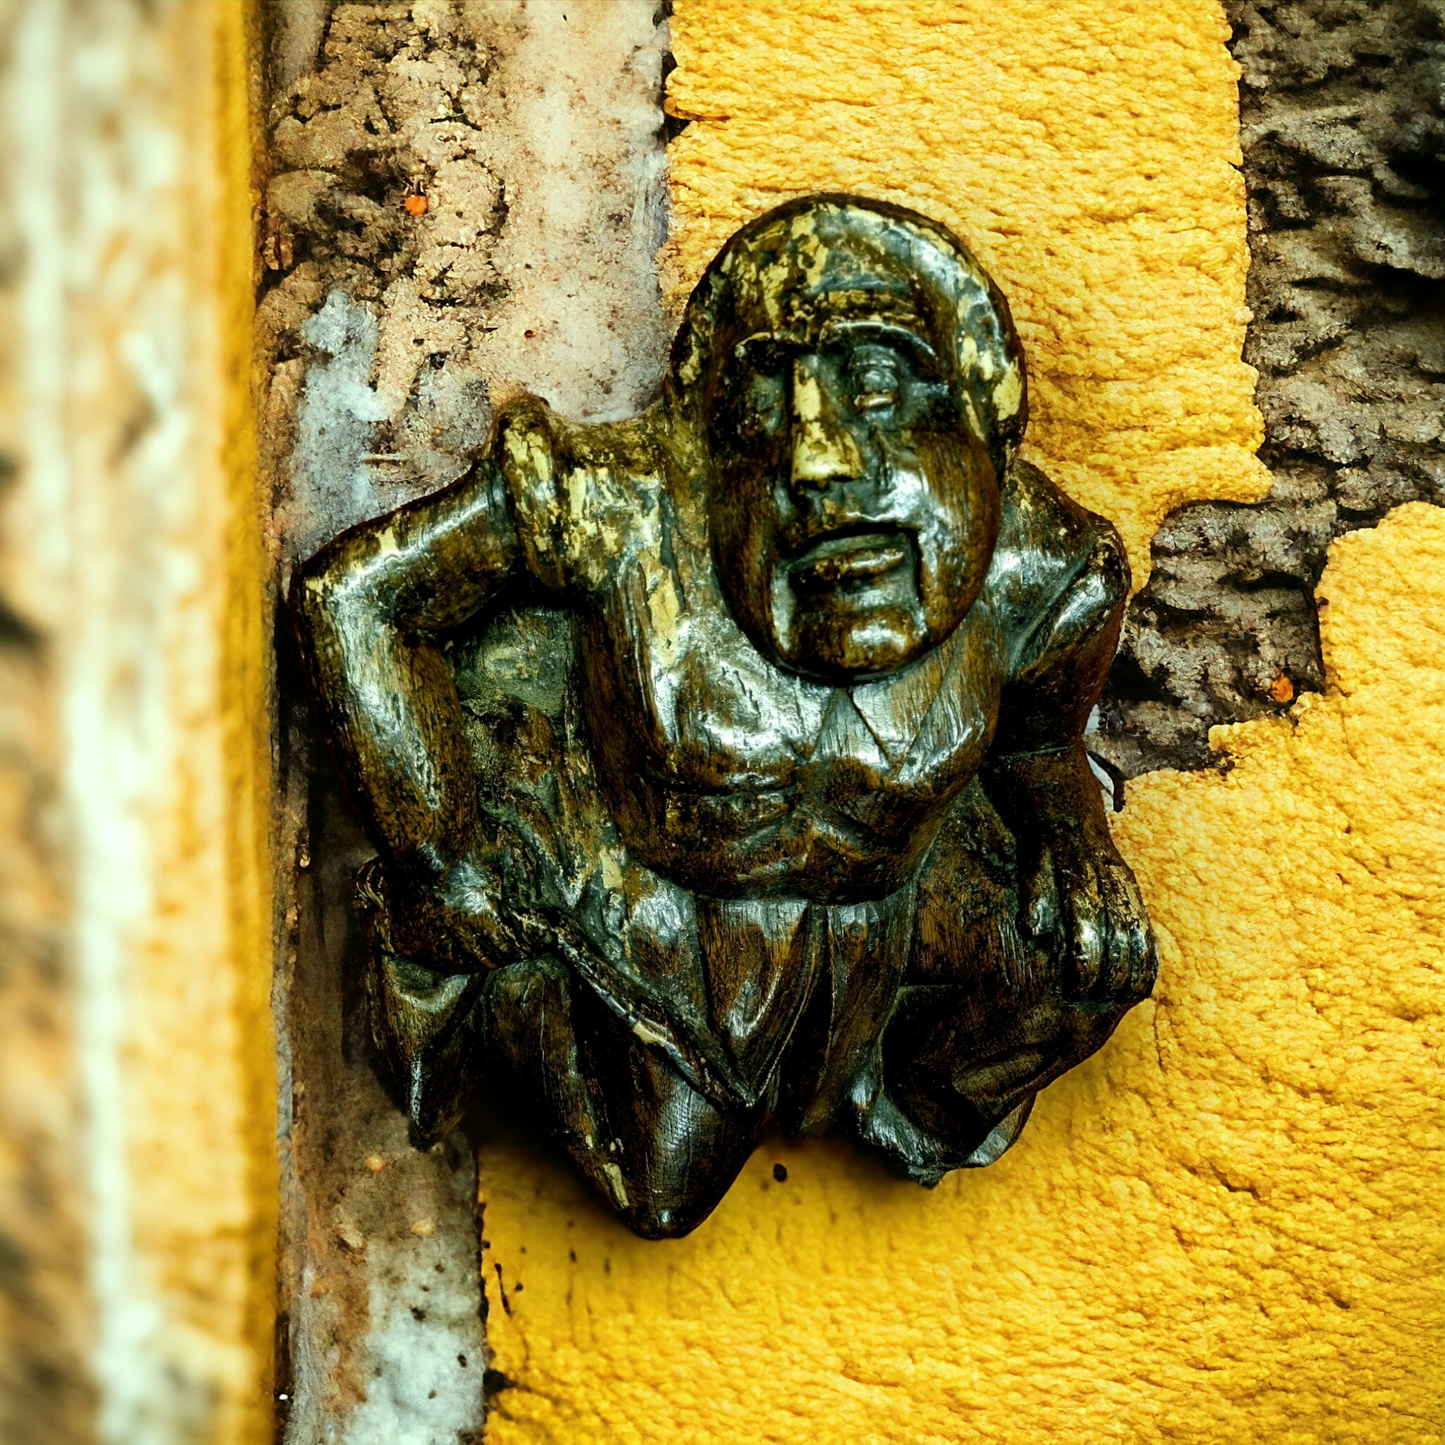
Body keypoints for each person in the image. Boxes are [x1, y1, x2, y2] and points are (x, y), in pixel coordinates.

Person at [292, 195, 1156, 1239]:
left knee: (1082, 968)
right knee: (660, 1192)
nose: (819, 458)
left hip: (887, 904)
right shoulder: (624, 508)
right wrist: (441, 854)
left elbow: (1032, 740)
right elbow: (354, 598)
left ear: (982, 416)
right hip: (660, 907)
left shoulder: (1045, 572)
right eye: (762, 414)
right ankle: (541, 991)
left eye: (877, 390)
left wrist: (1074, 843)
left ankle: (898, 1095)